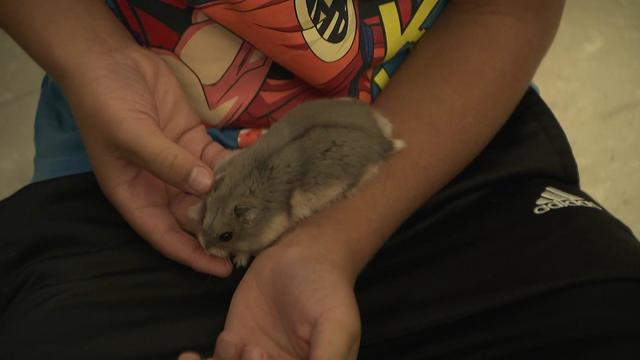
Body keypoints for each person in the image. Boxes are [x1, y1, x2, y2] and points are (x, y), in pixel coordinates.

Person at [1, 0, 639, 359]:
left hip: (435, 137)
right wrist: (94, 56)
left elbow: (510, 13)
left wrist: (331, 239)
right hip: (136, 166)